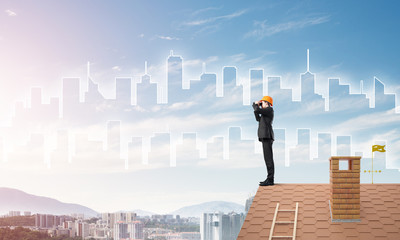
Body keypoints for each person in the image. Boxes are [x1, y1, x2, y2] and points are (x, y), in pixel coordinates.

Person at [252, 96, 275, 186]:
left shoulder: (269, 110)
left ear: (267, 103)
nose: (261, 104)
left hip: (267, 136)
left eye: (263, 103)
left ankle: (270, 180)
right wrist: (256, 107)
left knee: (269, 159)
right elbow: (258, 118)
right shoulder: (264, 113)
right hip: (265, 137)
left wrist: (255, 105)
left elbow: (258, 110)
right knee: (267, 159)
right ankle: (269, 179)